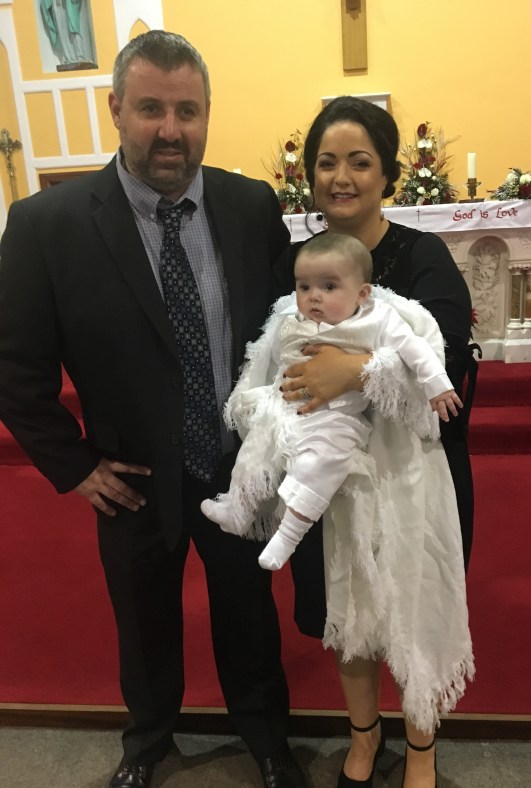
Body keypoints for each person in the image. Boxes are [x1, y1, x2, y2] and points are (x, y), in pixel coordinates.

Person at [0, 31, 307, 788]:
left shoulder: (250, 206)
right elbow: (14, 366)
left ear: (206, 114)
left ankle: (268, 740)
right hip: (130, 475)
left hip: (236, 464)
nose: (171, 130)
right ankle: (147, 742)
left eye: (187, 111)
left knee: (249, 610)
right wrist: (74, 466)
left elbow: (285, 328)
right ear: (115, 110)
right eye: (150, 110)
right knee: (142, 622)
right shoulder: (46, 225)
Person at [274, 97, 477, 787]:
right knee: (349, 613)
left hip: (412, 477)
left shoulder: (421, 256)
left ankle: (421, 748)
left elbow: (447, 362)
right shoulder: (298, 260)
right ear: (309, 175)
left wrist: (351, 371)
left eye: (359, 162)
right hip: (330, 478)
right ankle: (363, 737)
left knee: (413, 610)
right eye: (326, 162)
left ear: (387, 172)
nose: (341, 177)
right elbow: (275, 346)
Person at [201, 232, 463, 573]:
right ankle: (238, 508)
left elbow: (416, 350)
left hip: (335, 417)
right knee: (255, 452)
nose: (314, 296)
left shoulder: (377, 318)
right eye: (304, 286)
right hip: (285, 409)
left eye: (328, 286)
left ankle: (287, 537)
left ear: (362, 293)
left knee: (318, 467)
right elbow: (271, 357)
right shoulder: (292, 318)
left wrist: (438, 386)